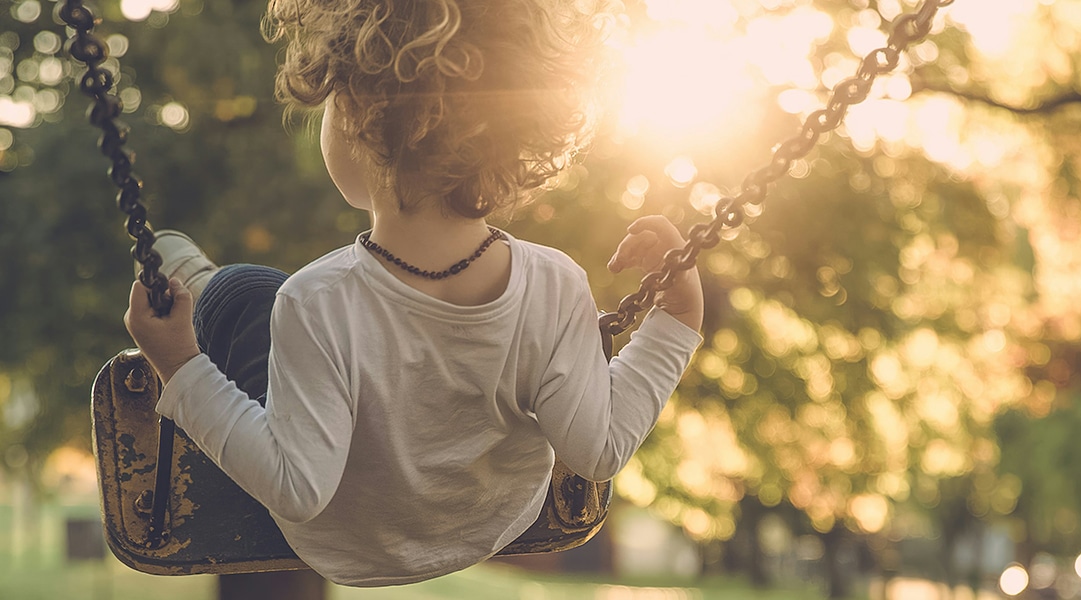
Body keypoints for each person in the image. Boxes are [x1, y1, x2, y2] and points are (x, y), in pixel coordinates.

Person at [123, 0, 703, 588]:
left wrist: (181, 366)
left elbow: (297, 489)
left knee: (247, 294)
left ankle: (192, 273)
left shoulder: (315, 302)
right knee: (263, 299)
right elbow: (598, 451)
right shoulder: (556, 284)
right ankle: (194, 270)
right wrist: (677, 320)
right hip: (492, 526)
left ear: (357, 116)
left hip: (347, 544)